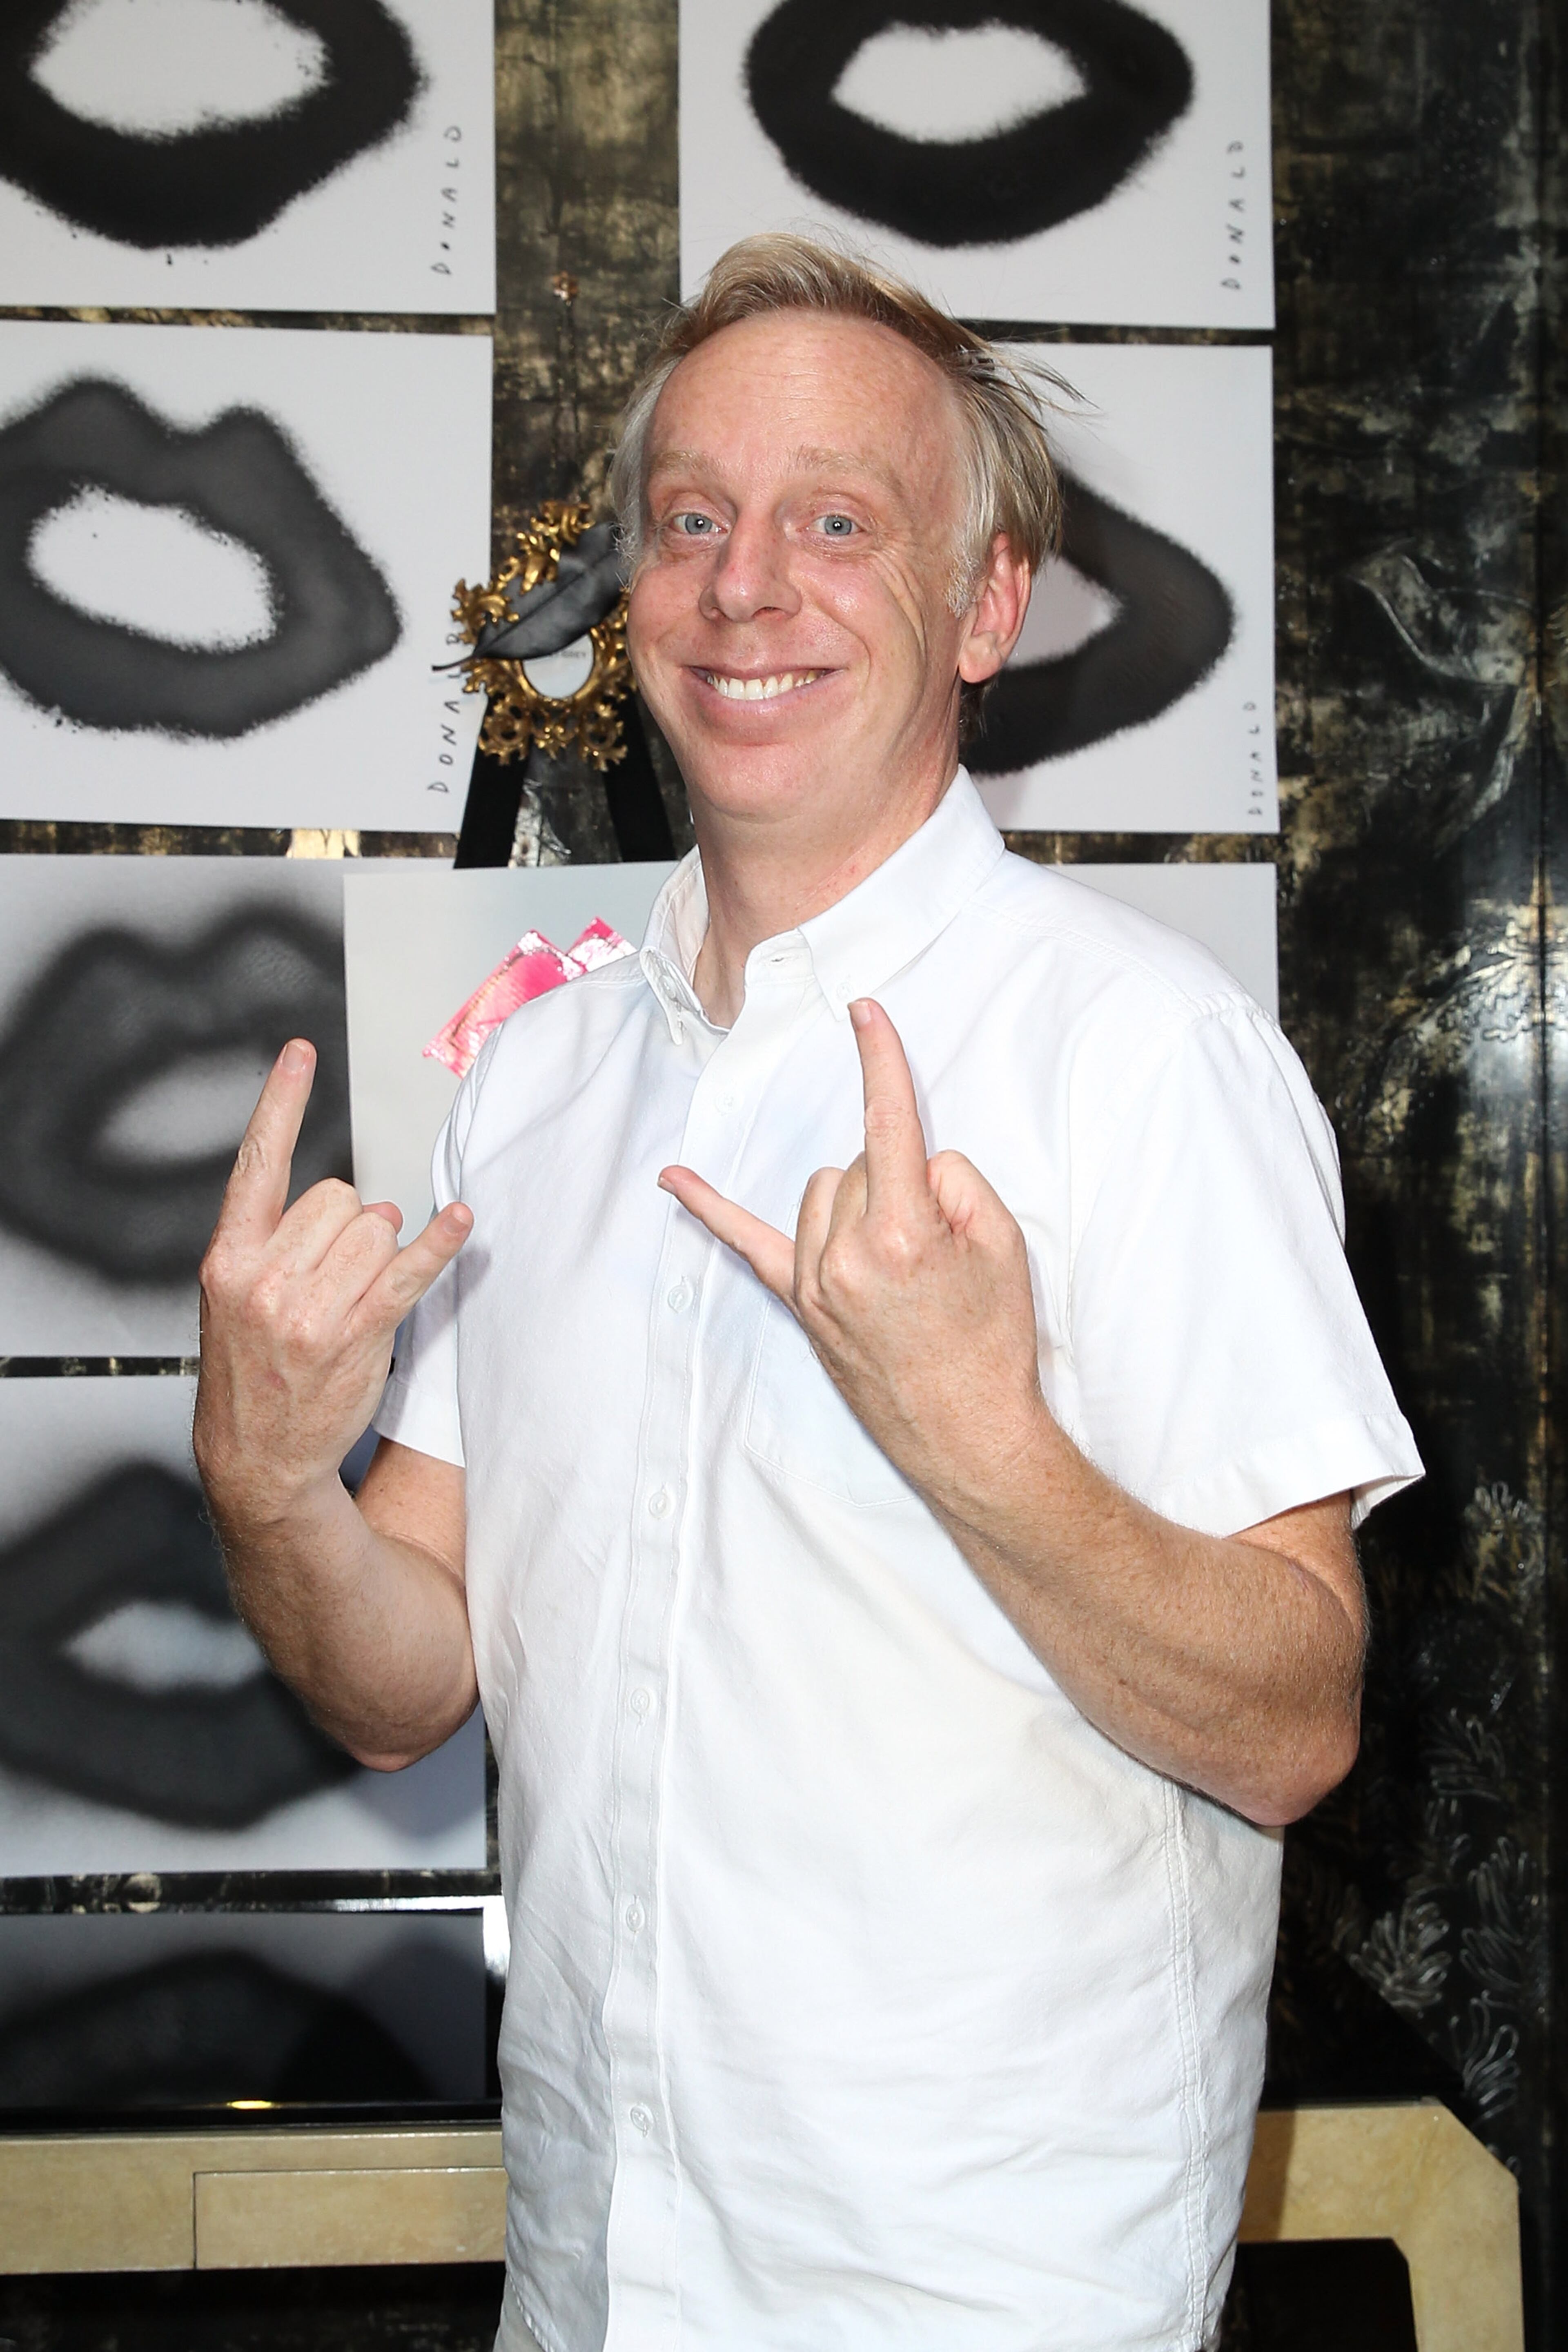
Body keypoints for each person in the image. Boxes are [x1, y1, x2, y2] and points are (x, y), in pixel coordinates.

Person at [195, 235, 1421, 2352]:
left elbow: (1296, 1725)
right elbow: (402, 1683)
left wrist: (975, 1434)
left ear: (985, 605)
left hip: (997, 2300)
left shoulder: (1138, 1055)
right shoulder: (543, 1072)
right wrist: (269, 1483)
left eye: (836, 520)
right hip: (592, 2279)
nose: (745, 584)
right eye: (693, 521)